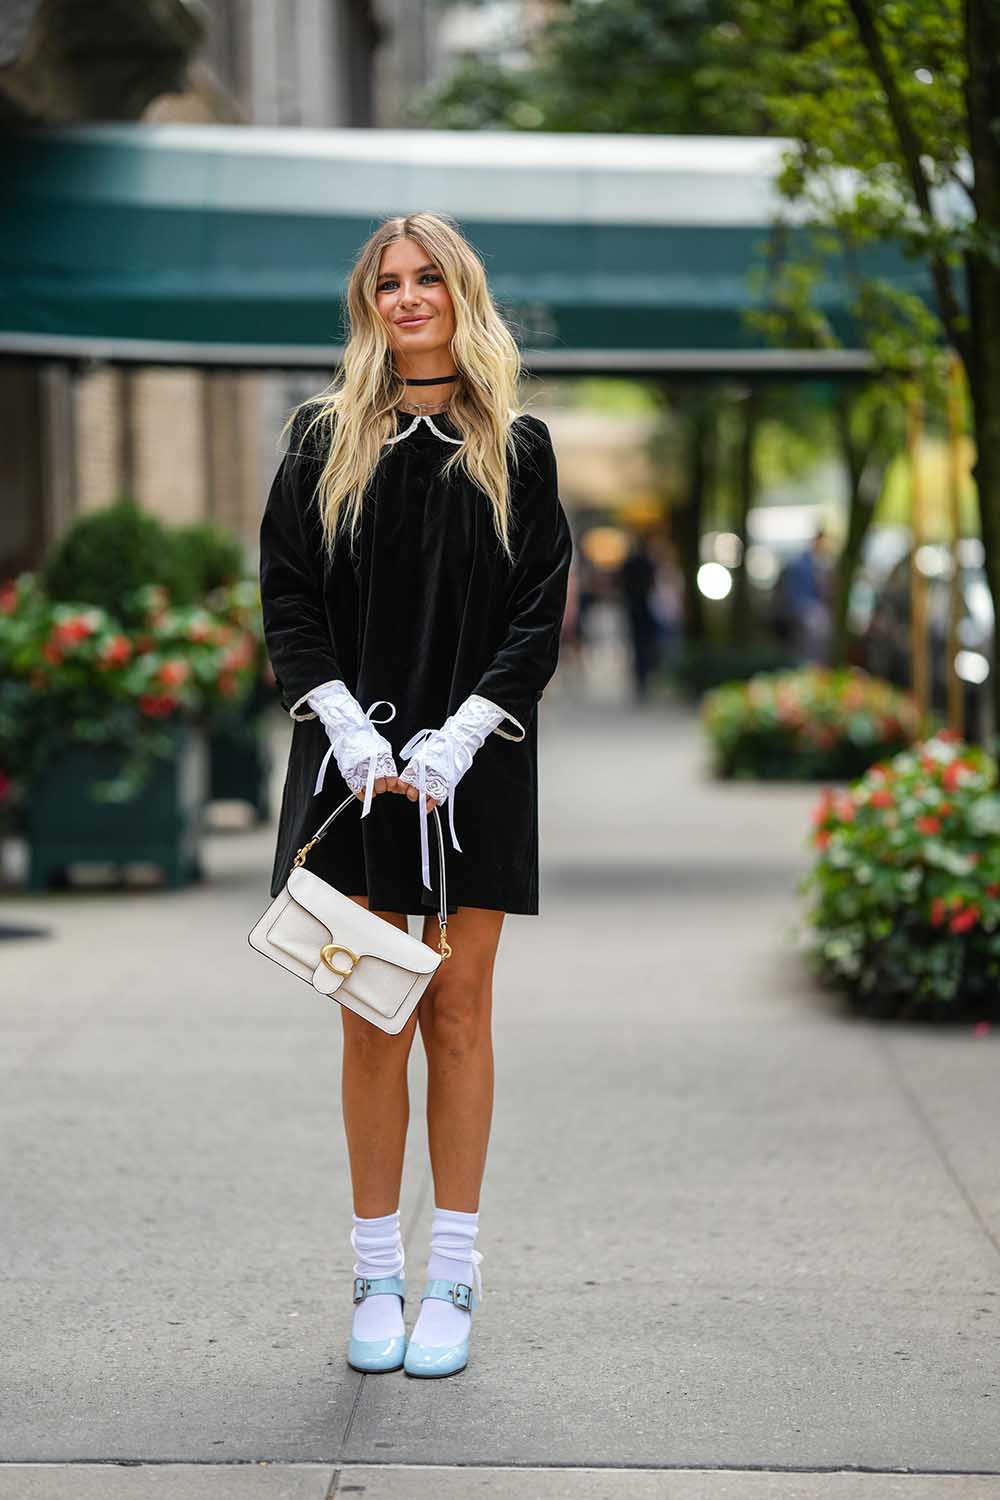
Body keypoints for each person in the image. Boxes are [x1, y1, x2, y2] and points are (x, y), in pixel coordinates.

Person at [257, 212, 573, 1380]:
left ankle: (455, 1275)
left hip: (474, 774)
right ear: (367, 306)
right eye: (386, 282)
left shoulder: (519, 447)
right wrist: (338, 717)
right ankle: (374, 1270)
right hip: (351, 772)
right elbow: (288, 596)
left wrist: (462, 737)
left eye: (426, 277)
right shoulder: (319, 439)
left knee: (458, 1011)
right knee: (371, 1016)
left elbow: (539, 611)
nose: (406, 297)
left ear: (459, 293)